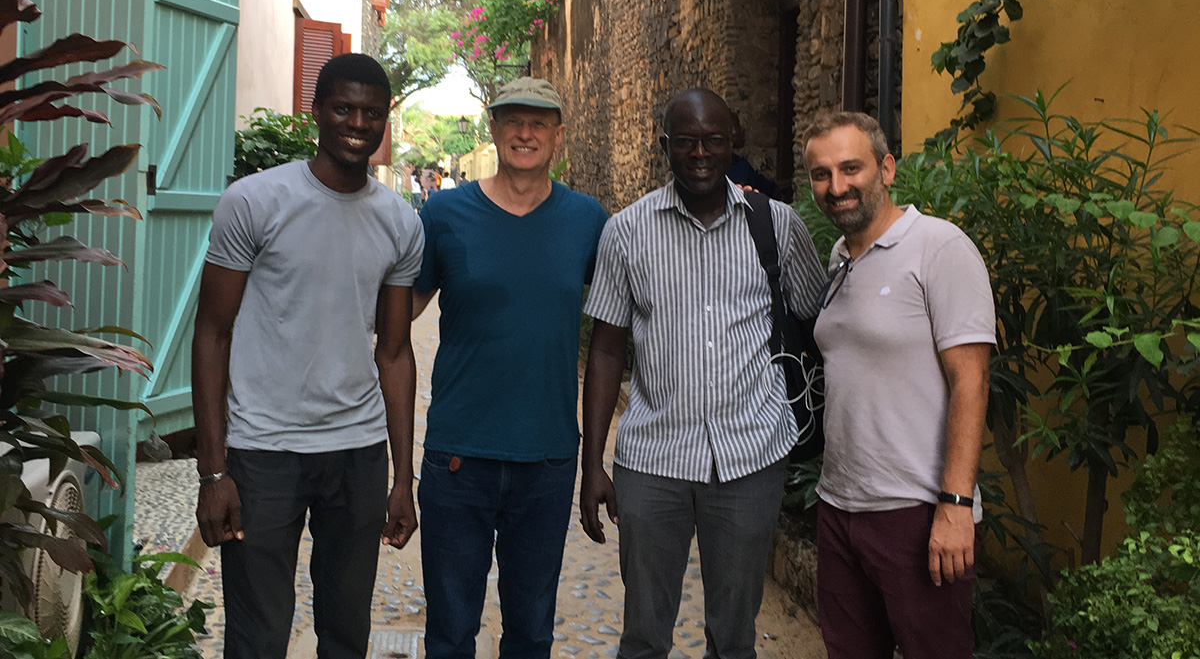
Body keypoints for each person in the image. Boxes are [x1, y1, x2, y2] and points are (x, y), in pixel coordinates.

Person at [191, 53, 425, 659]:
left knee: (346, 634)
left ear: (385, 122)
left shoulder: (400, 222)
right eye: (344, 108)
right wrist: (213, 471)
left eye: (372, 112)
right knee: (258, 635)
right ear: (316, 111)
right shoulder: (254, 202)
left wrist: (403, 478)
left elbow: (395, 353)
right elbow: (212, 334)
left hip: (357, 453)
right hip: (264, 451)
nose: (357, 122)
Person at [580, 88, 826, 659]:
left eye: (713, 140)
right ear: (664, 145)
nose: (699, 153)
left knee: (734, 637)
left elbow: (822, 324)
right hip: (653, 460)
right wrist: (592, 463)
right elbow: (606, 350)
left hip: (751, 456)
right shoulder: (627, 232)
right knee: (643, 634)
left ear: (733, 141)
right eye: (685, 141)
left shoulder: (778, 227)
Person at [413, 77, 608, 659]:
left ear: (558, 136)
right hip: (457, 457)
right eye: (513, 121)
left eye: (539, 122)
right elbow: (397, 318)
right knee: (449, 633)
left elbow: (618, 326)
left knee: (531, 632)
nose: (525, 133)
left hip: (546, 460)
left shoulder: (588, 220)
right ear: (494, 130)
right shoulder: (444, 214)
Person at [801, 111, 994, 659]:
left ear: (886, 168)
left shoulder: (939, 247)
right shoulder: (840, 259)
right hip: (840, 507)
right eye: (821, 174)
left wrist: (955, 504)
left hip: (916, 512)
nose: (836, 187)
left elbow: (971, 378)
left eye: (850, 168)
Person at [726, 110, 778, 198]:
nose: (742, 129)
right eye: (737, 125)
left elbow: (766, 187)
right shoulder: (734, 165)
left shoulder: (739, 163)